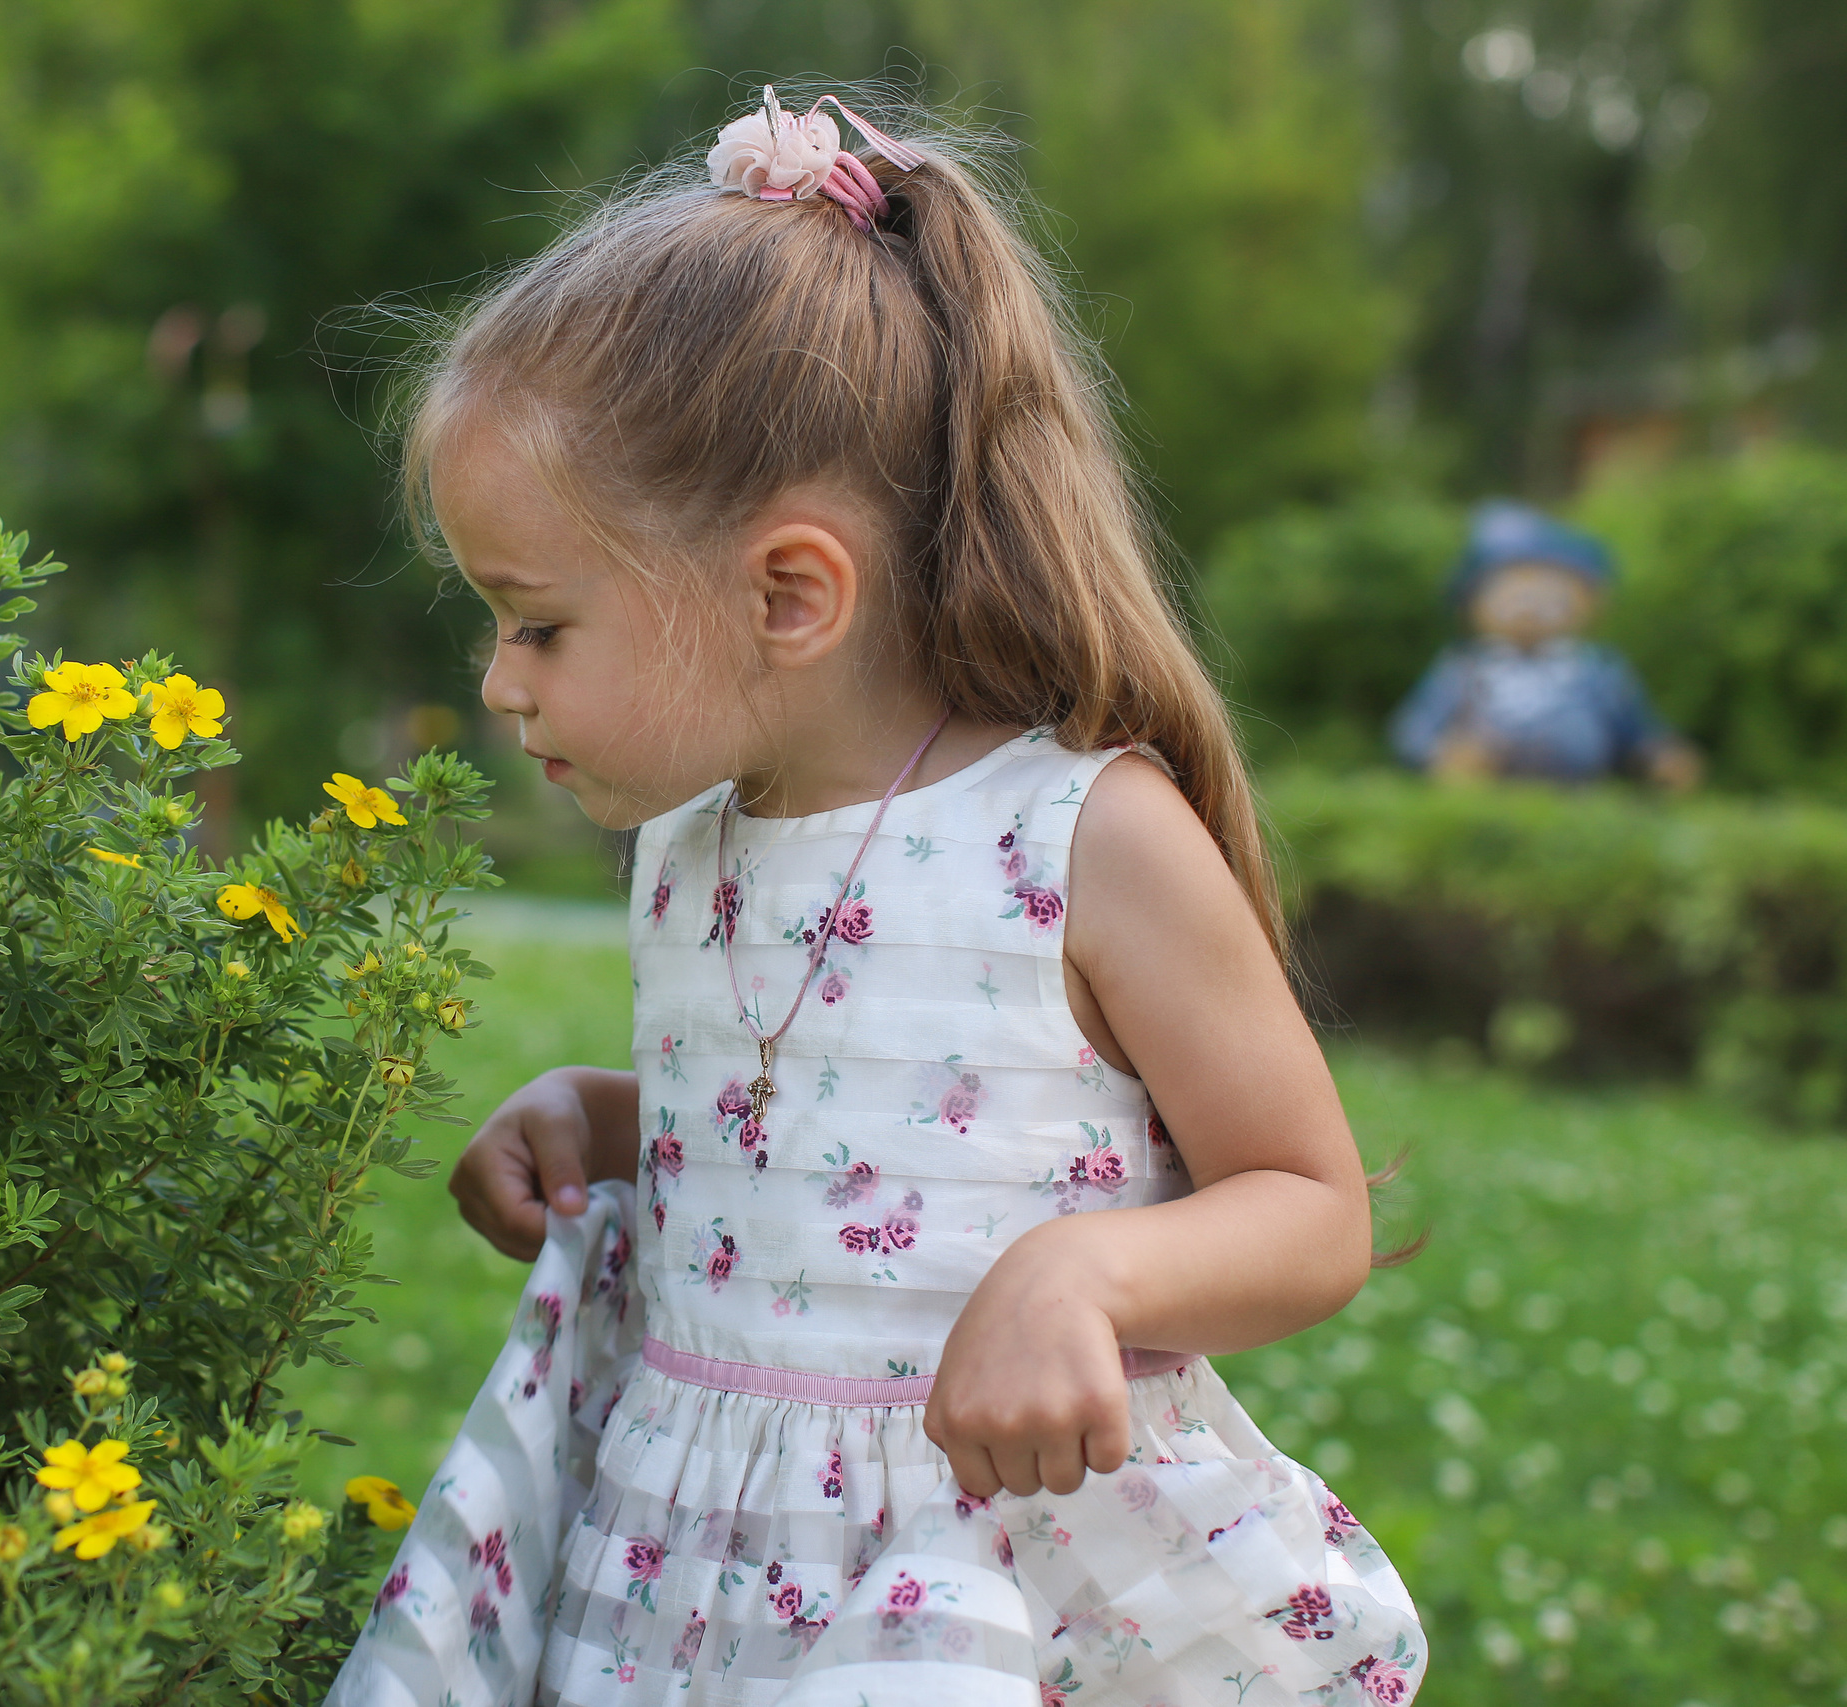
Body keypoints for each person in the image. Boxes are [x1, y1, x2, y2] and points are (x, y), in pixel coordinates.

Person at [328, 88, 1423, 1707]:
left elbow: (1313, 1204)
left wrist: (1084, 1272)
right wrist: (620, 1119)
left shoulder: (1083, 836)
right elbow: (841, 1120)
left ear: (789, 593)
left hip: (988, 1562)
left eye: (538, 623)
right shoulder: (695, 842)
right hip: (701, 1561)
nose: (499, 685)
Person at [1389, 501, 1701, 787]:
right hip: (1481, 803)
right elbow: (1412, 730)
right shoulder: (1461, 669)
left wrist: (1659, 757)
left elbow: (1636, 729)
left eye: (1552, 597)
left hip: (1579, 808)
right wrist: (1441, 755)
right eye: (1513, 596)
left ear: (1591, 604)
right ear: (1472, 603)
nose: (1530, 610)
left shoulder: (1599, 671)